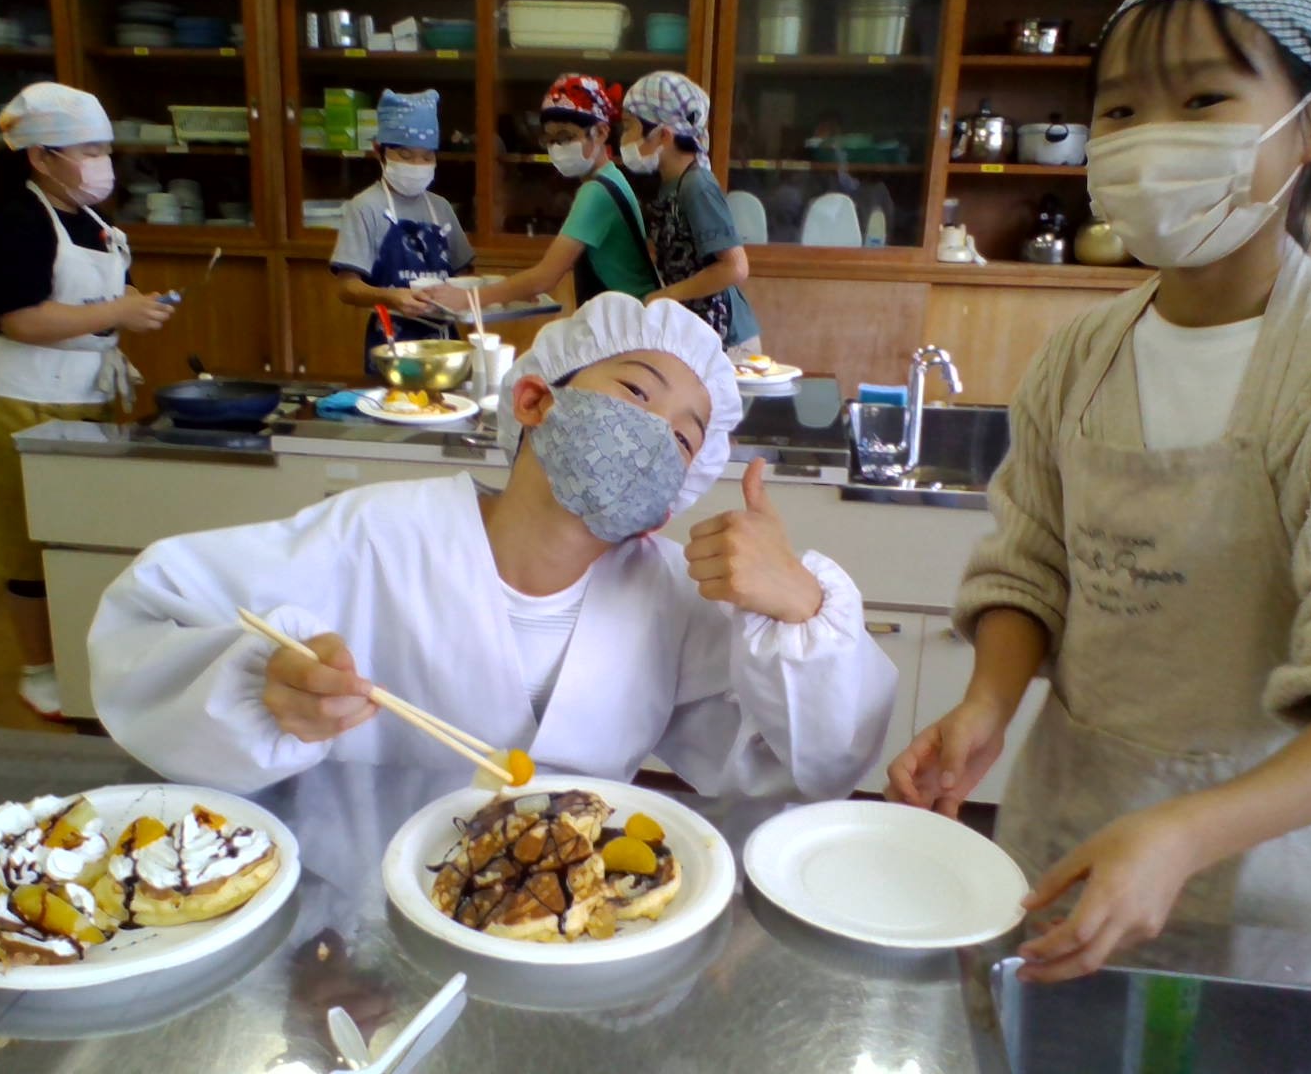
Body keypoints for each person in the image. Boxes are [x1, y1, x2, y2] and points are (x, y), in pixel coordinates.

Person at [885, 0, 1311, 983]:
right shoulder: (1082, 358)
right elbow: (1032, 563)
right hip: (1067, 814)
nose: (1151, 139)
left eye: (1202, 99)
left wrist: (1188, 831)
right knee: (1043, 1028)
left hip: (1264, 858)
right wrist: (988, 705)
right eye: (1121, 110)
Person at [89, 293, 897, 797]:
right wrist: (260, 686)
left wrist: (801, 607)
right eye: (635, 391)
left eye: (686, 439)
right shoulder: (375, 538)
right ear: (537, 399)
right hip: (365, 925)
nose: (656, 434)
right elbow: (147, 621)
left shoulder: (668, 606)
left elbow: (818, 764)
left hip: (567, 929)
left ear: (671, 500)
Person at [0, 81, 174, 720]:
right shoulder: (18, 223)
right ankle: (37, 670)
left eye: (104, 150)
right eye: (88, 151)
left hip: (85, 393)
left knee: (83, 533)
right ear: (40, 157)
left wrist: (133, 305)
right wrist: (117, 312)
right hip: (20, 398)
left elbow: (101, 297)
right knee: (28, 544)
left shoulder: (92, 222)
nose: (102, 164)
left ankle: (85, 656)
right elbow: (19, 319)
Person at [434, 74, 657, 314]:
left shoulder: (596, 193)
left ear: (601, 132)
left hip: (627, 320)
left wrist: (469, 298)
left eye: (566, 137)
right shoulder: (612, 176)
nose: (557, 148)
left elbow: (546, 276)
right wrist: (519, 289)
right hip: (629, 313)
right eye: (549, 140)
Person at [330, 88, 475, 375]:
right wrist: (393, 298)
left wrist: (459, 297)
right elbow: (347, 287)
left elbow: (466, 273)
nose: (417, 166)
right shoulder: (365, 207)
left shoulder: (441, 207)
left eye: (426, 157)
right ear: (379, 151)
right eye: (406, 156)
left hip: (445, 343)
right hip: (391, 344)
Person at [618, 71, 761, 363]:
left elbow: (734, 267)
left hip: (727, 343)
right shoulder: (670, 184)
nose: (624, 138)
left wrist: (664, 296)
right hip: (700, 335)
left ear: (663, 135)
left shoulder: (697, 186)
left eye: (629, 126)